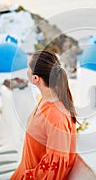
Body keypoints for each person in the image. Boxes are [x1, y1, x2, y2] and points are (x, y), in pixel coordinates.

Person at [10, 50, 77, 180]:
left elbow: (55, 167)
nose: (26, 71)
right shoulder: (45, 100)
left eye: (28, 68)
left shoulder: (56, 117)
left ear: (35, 79)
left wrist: (27, 177)